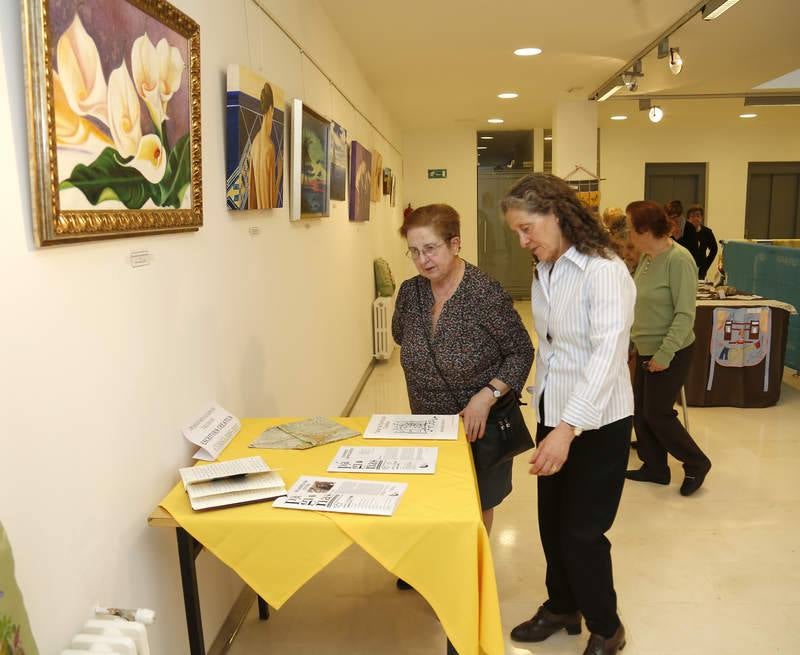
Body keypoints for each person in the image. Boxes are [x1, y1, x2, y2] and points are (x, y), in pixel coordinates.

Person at [503, 175, 634, 655]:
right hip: (554, 414)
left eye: (526, 228)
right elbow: (556, 348)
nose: (523, 241)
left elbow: (606, 357)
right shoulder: (548, 268)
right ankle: (562, 606)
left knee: (582, 532)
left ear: (557, 215)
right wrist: (545, 414)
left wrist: (567, 429)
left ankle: (606, 625)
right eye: (516, 232)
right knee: (551, 524)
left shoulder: (604, 271)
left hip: (597, 422)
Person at [392, 203, 534, 530]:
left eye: (430, 249)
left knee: (475, 503)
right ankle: (435, 561)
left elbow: (521, 351)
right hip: (427, 421)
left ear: (455, 244)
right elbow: (402, 335)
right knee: (433, 495)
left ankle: (471, 570)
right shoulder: (410, 293)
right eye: (414, 252)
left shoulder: (483, 292)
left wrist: (486, 395)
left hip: (477, 424)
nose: (422, 260)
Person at [625, 201, 712, 497]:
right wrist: (632, 343)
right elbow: (641, 306)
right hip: (646, 348)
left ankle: (696, 462)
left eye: (630, 227)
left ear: (646, 230)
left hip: (670, 350)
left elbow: (685, 314)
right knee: (640, 410)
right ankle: (655, 467)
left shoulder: (680, 260)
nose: (627, 233)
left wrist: (664, 354)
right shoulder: (648, 258)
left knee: (658, 413)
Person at [687, 204, 718, 279]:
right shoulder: (684, 232)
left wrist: (706, 265)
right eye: (692, 216)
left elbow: (714, 249)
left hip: (701, 270)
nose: (695, 218)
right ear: (688, 219)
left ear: (702, 218)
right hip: (686, 268)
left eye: (698, 216)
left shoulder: (707, 232)